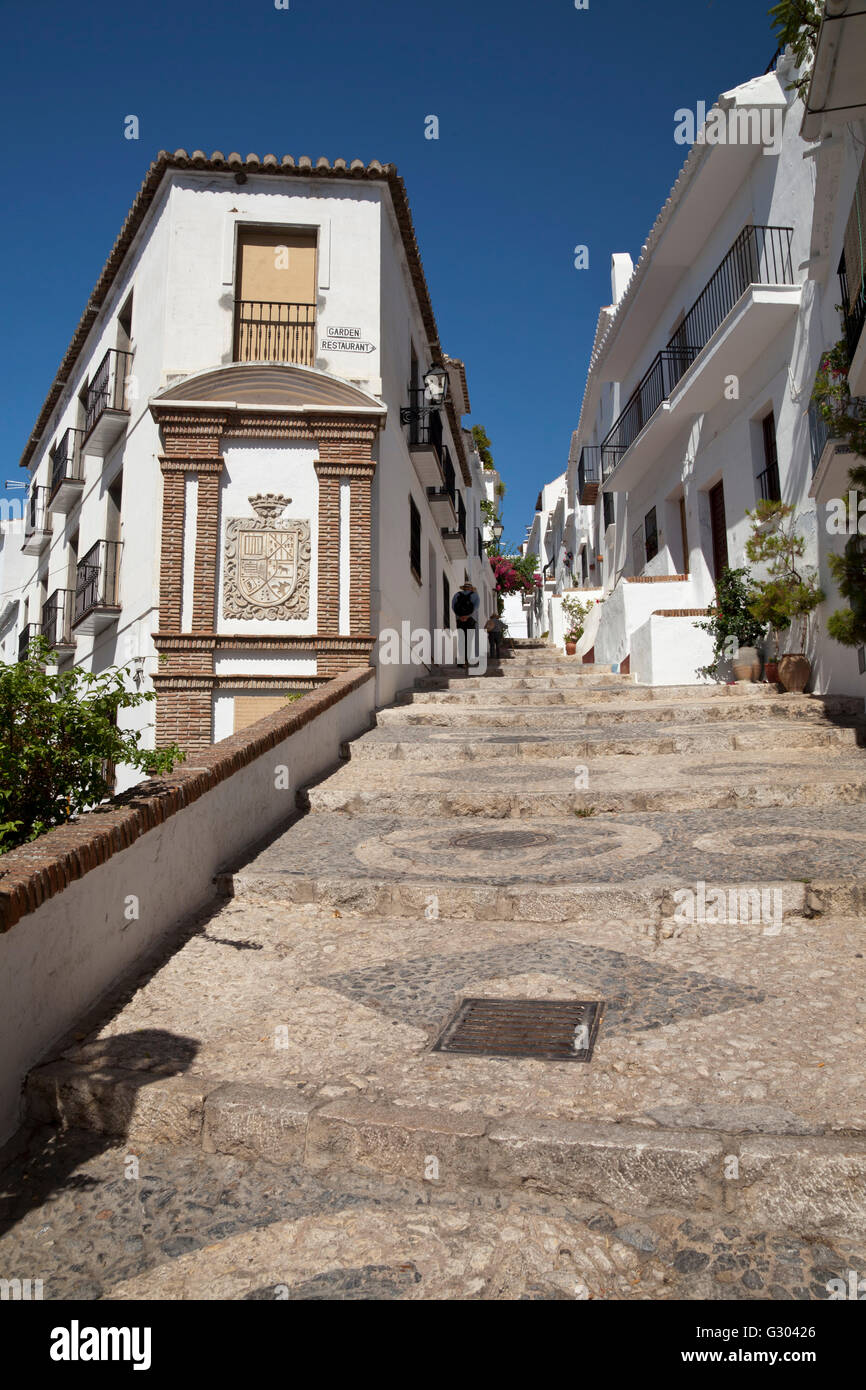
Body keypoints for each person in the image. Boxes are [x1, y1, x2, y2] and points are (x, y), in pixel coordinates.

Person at [452, 580, 480, 668]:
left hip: (459, 620)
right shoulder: (475, 595)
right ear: (471, 588)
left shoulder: (457, 595)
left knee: (461, 640)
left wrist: (460, 616)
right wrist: (467, 616)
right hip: (470, 620)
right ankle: (467, 660)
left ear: (463, 588)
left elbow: (453, 607)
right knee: (469, 640)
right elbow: (476, 607)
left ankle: (461, 662)